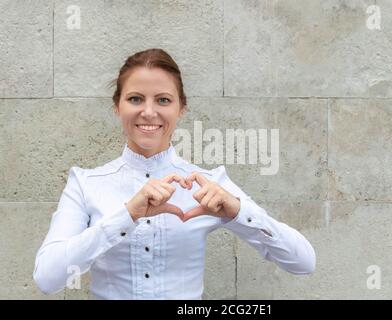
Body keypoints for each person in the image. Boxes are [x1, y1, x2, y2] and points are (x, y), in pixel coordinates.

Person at [33, 48, 316, 300]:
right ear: (117, 106)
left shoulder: (210, 184)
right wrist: (127, 215)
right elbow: (47, 278)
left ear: (181, 107)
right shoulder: (86, 183)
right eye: (135, 98)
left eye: (163, 100)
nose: (148, 112)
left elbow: (303, 263)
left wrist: (239, 210)